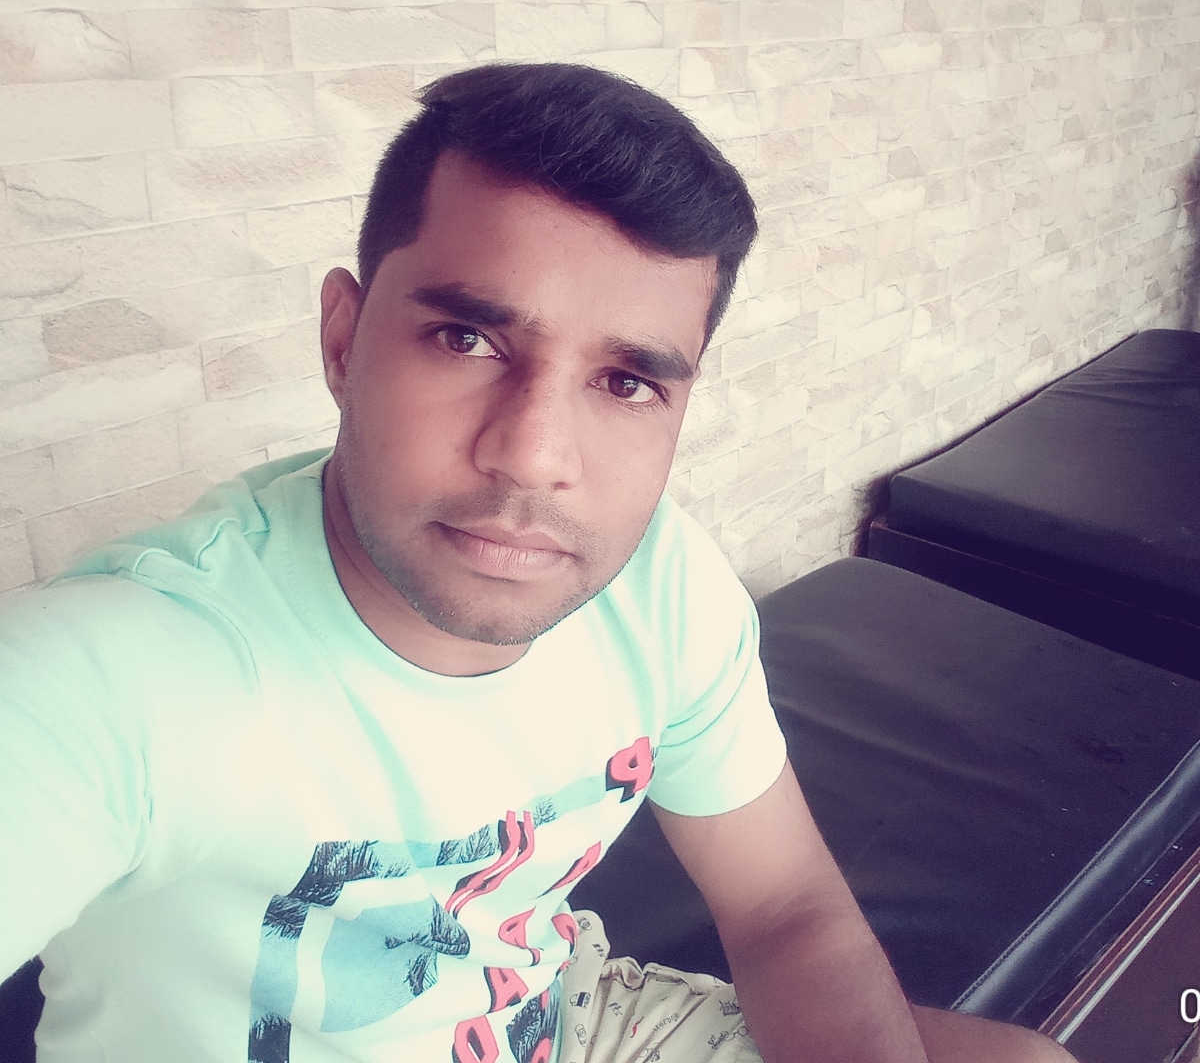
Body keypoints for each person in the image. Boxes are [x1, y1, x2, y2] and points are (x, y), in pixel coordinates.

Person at [0, 63, 1073, 1063]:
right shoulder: (113, 674)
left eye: (626, 383)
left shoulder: (662, 585)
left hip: (552, 1017)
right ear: (343, 339)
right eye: (467, 340)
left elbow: (784, 903)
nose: (533, 456)